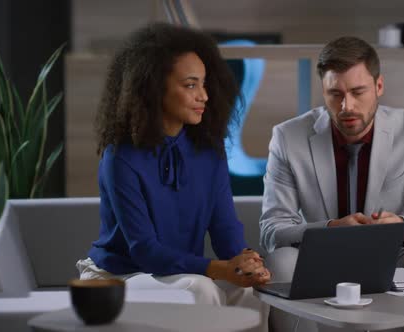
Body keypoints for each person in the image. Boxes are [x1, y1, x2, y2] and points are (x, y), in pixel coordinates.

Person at [260, 36, 404, 332]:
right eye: (335, 94)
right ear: (323, 91)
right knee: (281, 261)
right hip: (320, 259)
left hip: (393, 258)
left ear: (379, 87)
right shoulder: (287, 137)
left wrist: (402, 228)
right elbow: (272, 231)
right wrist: (331, 229)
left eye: (358, 91)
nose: (347, 106)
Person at [76, 23, 270, 332]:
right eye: (190, 85)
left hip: (178, 273)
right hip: (120, 276)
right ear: (154, 87)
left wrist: (245, 263)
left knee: (250, 290)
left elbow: (224, 227)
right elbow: (145, 250)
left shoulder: (210, 151)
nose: (204, 96)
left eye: (204, 84)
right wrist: (217, 269)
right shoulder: (121, 157)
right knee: (201, 289)